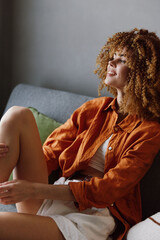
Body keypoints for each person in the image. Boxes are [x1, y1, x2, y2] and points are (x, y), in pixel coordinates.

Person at [0, 28, 160, 240]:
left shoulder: (149, 131)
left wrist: (33, 190)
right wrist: (16, 160)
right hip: (55, 196)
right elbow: (50, 153)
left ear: (142, 71)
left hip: (91, 214)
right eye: (111, 57)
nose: (111, 63)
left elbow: (109, 189)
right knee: (17, 115)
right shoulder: (93, 109)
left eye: (121, 59)